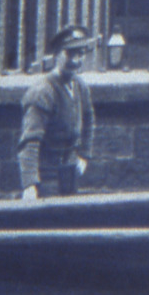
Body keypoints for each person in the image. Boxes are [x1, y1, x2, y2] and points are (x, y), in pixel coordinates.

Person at [19, 25, 98, 200]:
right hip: (46, 176)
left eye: (81, 53)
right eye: (70, 54)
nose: (76, 60)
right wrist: (30, 184)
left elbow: (89, 119)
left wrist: (84, 154)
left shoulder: (80, 86)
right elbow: (30, 141)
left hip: (70, 173)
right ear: (56, 55)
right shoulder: (42, 92)